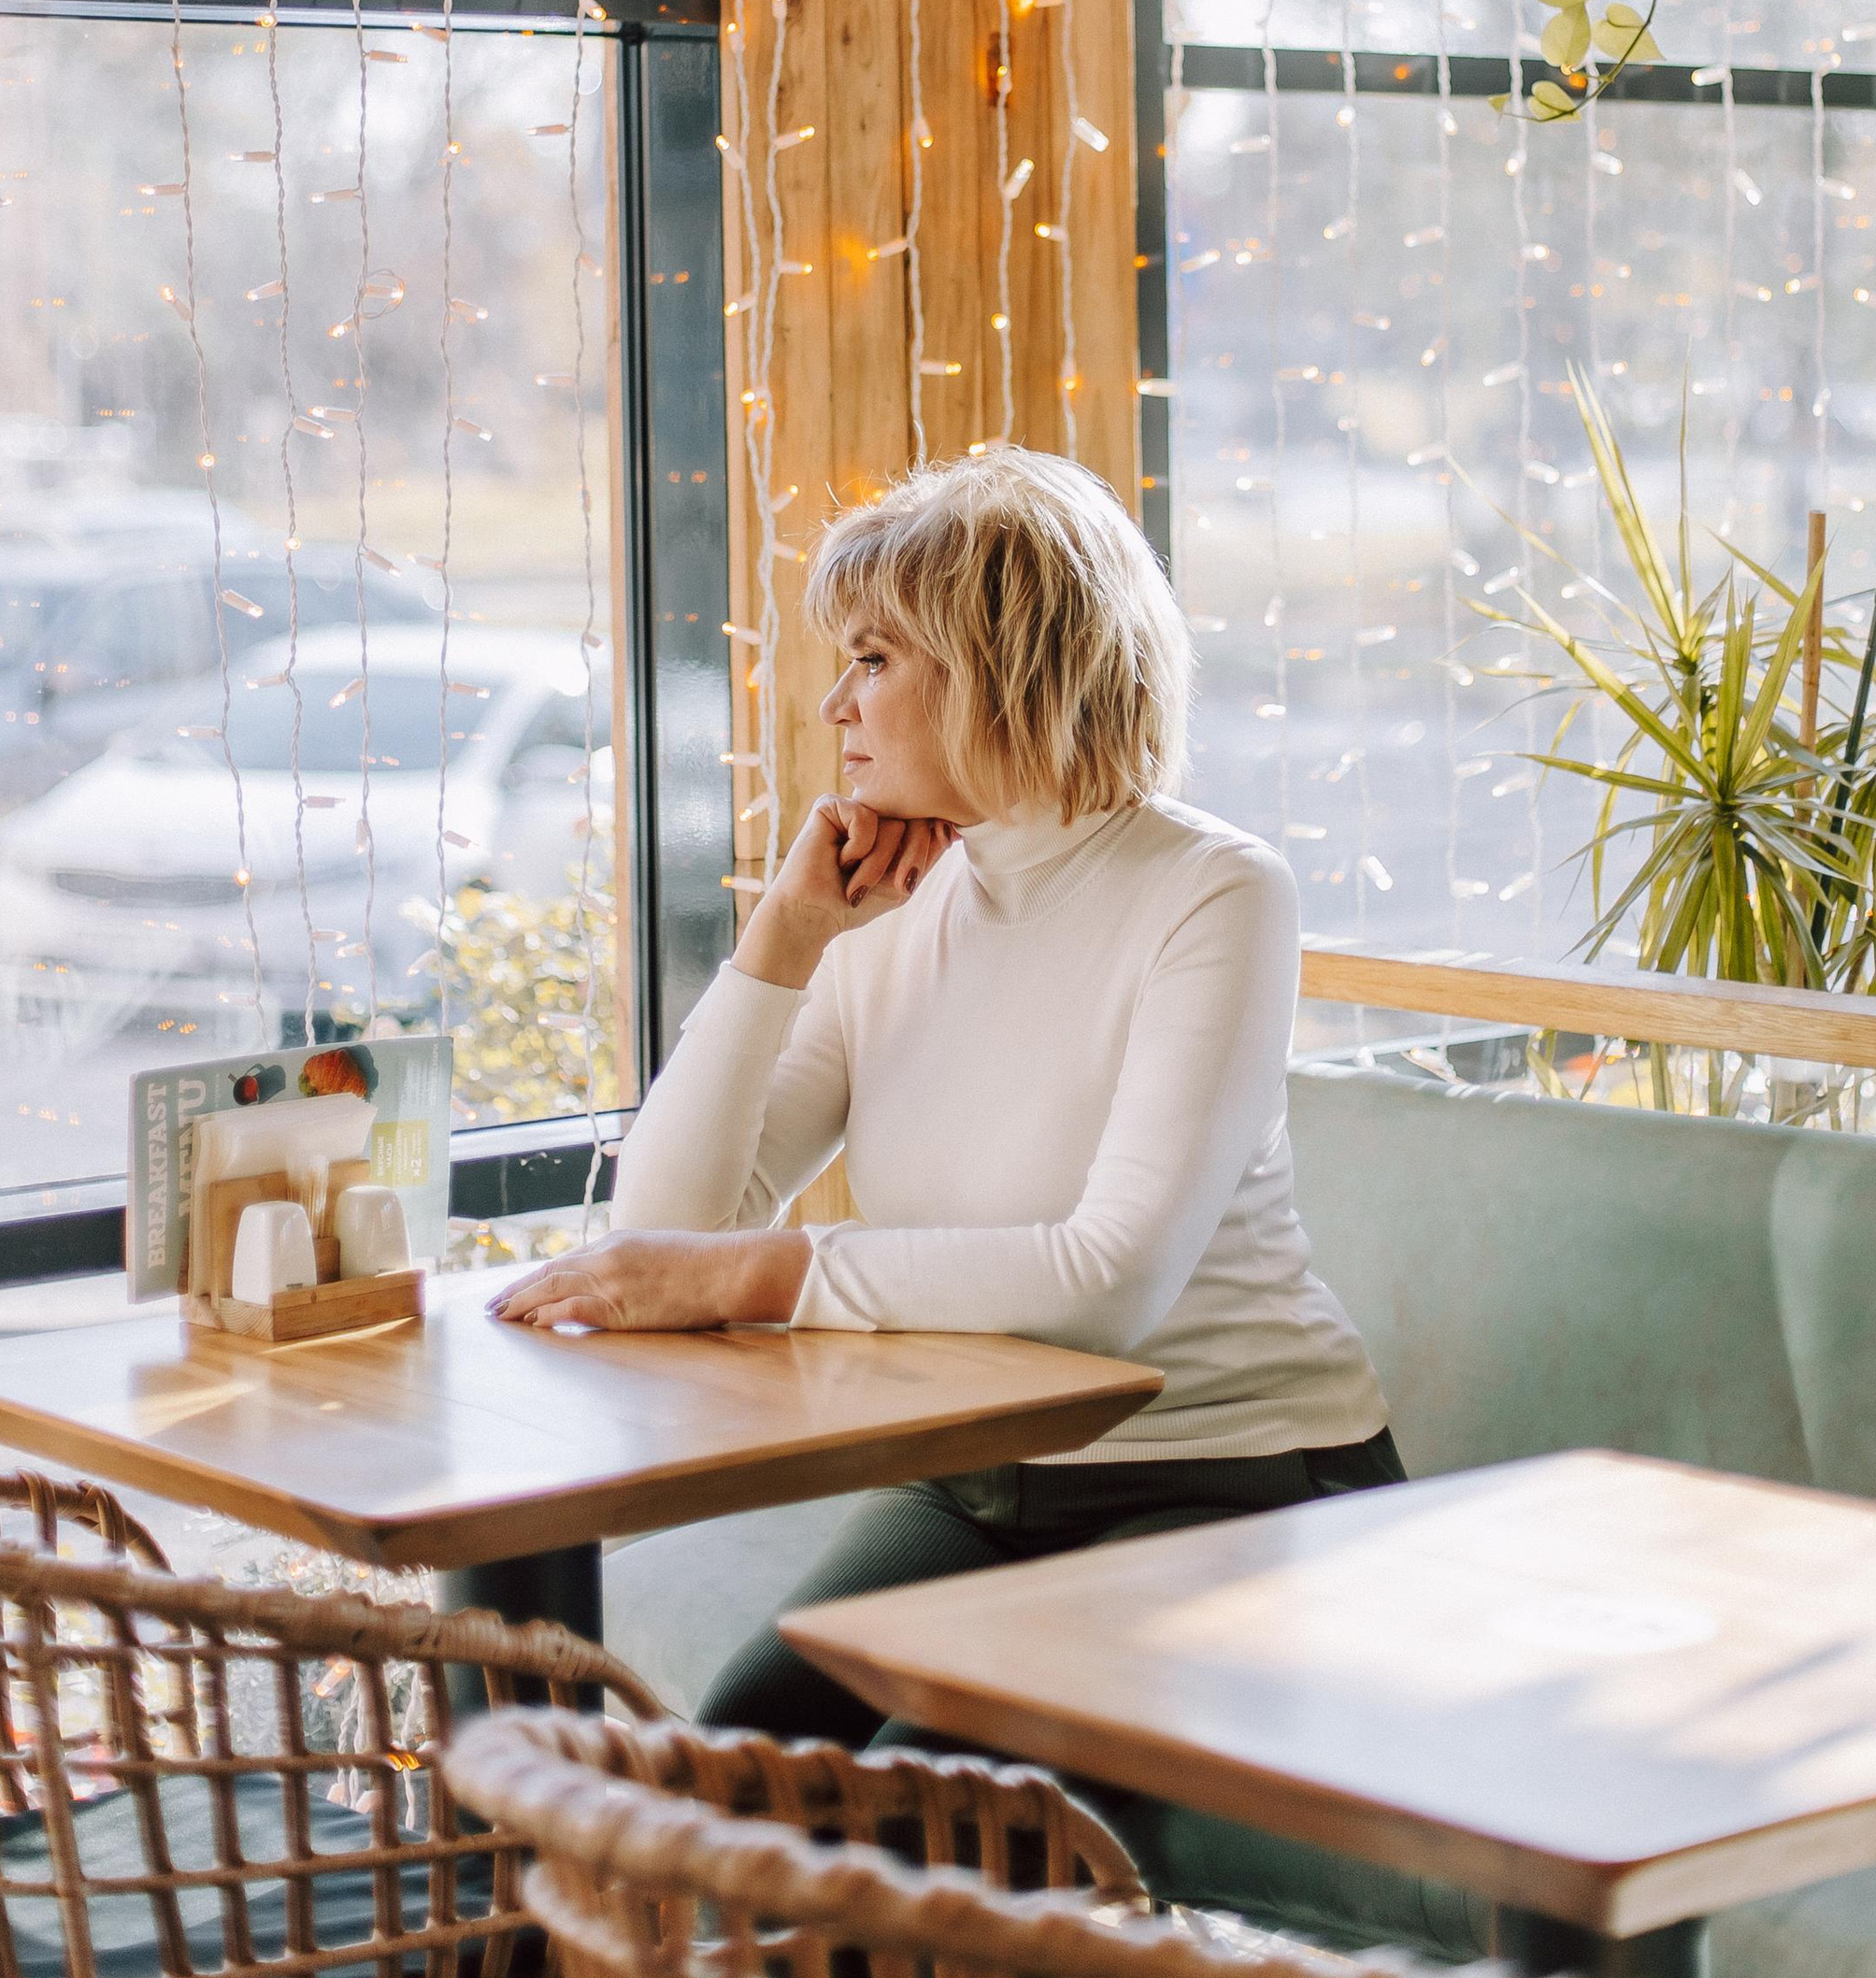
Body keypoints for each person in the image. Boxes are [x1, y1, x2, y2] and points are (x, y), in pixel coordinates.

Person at [489, 441, 1401, 1770]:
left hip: (1234, 1478)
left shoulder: (1213, 893)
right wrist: (783, 945)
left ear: (1001, 664)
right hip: (977, 1486)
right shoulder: (883, 913)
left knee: (913, 1827)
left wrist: (750, 1274)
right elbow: (671, 1228)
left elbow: (1106, 1286)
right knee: (735, 1780)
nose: (833, 709)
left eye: (871, 660)